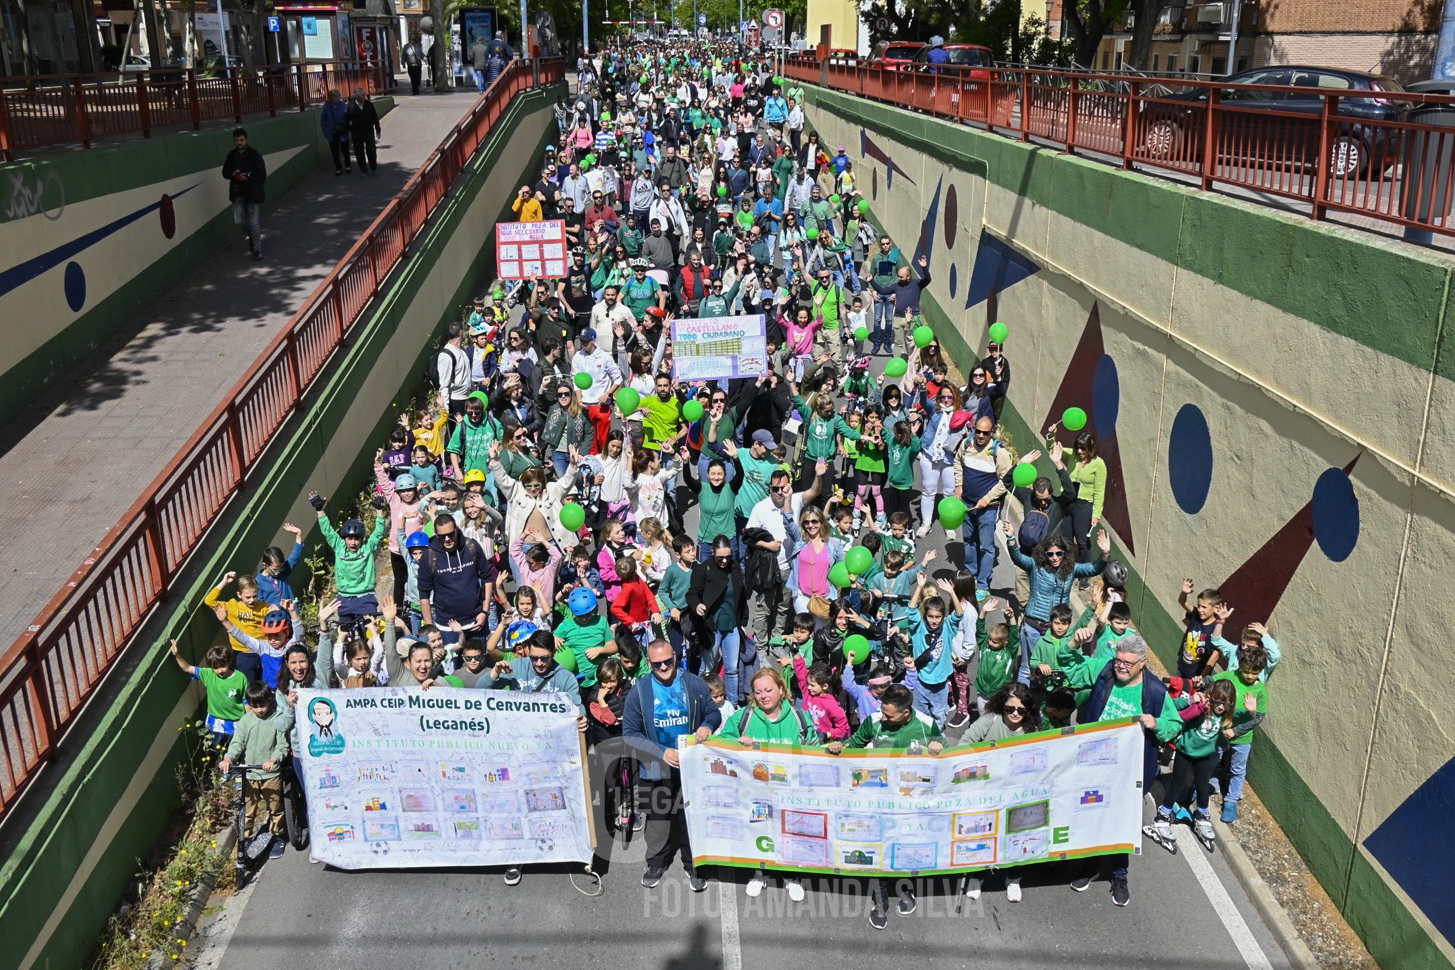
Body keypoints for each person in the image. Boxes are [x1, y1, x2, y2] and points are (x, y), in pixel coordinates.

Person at [1063, 634, 1183, 906]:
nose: (1121, 667)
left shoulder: (1154, 691)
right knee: (1092, 816)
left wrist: (1157, 723)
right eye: (1119, 661)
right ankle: (1091, 866)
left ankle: (1119, 875)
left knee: (1120, 823)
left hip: (1129, 775)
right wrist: (1072, 643)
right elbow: (1069, 667)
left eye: (1128, 663)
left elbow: (1174, 725)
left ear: (1143, 663)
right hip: (1093, 766)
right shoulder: (1104, 671)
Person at [827, 683, 943, 929]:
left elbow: (945, 757)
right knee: (877, 851)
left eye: (890, 715)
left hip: (911, 805)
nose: (884, 718)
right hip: (877, 801)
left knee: (906, 850)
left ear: (906, 713)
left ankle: (906, 890)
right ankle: (880, 903)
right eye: (883, 711)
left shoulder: (926, 724)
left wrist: (939, 748)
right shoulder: (874, 721)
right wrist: (840, 747)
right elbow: (855, 743)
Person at [622, 639, 721, 890]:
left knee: (690, 819)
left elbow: (713, 713)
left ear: (676, 656)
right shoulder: (640, 691)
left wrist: (707, 725)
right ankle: (656, 863)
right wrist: (661, 752)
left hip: (690, 769)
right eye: (657, 664)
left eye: (668, 661)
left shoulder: (694, 684)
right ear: (648, 663)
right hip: (654, 770)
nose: (664, 667)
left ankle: (693, 864)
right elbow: (630, 733)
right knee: (657, 820)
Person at [717, 667, 815, 900]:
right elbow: (721, 741)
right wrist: (737, 741)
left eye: (769, 690)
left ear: (781, 689)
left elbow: (813, 749)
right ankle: (758, 873)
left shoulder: (799, 717)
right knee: (756, 830)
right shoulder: (744, 717)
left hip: (789, 792)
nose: (763, 696)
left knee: (788, 833)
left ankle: (790, 876)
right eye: (758, 692)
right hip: (754, 793)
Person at [960, 683, 1042, 902]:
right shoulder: (990, 721)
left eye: (1021, 710)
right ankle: (976, 875)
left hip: (1019, 795)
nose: (1015, 713)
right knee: (982, 835)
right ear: (1001, 707)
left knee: (1018, 837)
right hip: (988, 793)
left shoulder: (1034, 729)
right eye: (1010, 708)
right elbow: (965, 743)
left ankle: (1013, 878)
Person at [220, 681, 290, 861]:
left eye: (263, 705)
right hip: (250, 773)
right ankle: (248, 839)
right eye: (255, 706)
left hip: (270, 773)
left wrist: (273, 759)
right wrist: (229, 758)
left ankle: (277, 835)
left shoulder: (276, 719)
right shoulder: (246, 721)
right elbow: (237, 743)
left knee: (275, 807)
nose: (259, 709)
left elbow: (282, 745)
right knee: (248, 810)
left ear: (269, 701)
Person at [687, 536, 752, 700]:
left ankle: (732, 703)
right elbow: (692, 594)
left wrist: (743, 622)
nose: (724, 561)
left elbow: (741, 596)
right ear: (712, 553)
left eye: (728, 557)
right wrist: (697, 605)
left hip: (732, 627)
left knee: (732, 669)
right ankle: (700, 700)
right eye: (720, 557)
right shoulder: (704, 569)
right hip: (712, 627)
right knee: (707, 669)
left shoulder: (735, 567)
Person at [955, 415, 1013, 592]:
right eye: (977, 431)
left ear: (992, 433)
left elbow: (1006, 480)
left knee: (986, 547)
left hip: (988, 508)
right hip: (967, 504)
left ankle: (982, 584)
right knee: (968, 541)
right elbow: (958, 462)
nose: (980, 435)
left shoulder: (999, 452)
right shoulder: (966, 444)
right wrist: (959, 485)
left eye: (985, 433)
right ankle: (970, 575)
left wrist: (987, 499)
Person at [222, 128, 266, 261]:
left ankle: (257, 249)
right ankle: (253, 237)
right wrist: (232, 174)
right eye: (237, 140)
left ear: (246, 140)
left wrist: (247, 178)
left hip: (252, 192)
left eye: (241, 140)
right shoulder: (231, 155)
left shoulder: (255, 155)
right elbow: (225, 173)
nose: (239, 142)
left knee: (253, 222)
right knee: (239, 221)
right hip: (237, 192)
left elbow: (262, 175)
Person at [347, 87, 382, 177]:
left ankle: (374, 168)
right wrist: (351, 130)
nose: (364, 96)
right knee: (359, 152)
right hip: (357, 133)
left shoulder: (369, 104)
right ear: (356, 96)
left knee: (371, 151)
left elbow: (375, 117)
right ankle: (363, 170)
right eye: (362, 95)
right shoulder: (351, 106)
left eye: (364, 94)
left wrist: (378, 130)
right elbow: (348, 119)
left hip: (368, 132)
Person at [320, 89, 351, 175]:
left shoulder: (343, 105)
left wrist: (347, 127)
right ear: (331, 98)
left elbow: (348, 117)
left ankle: (348, 166)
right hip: (332, 133)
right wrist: (325, 131)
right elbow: (323, 120)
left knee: (345, 150)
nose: (337, 98)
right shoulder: (327, 106)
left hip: (343, 131)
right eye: (334, 97)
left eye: (338, 97)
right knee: (335, 152)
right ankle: (338, 168)